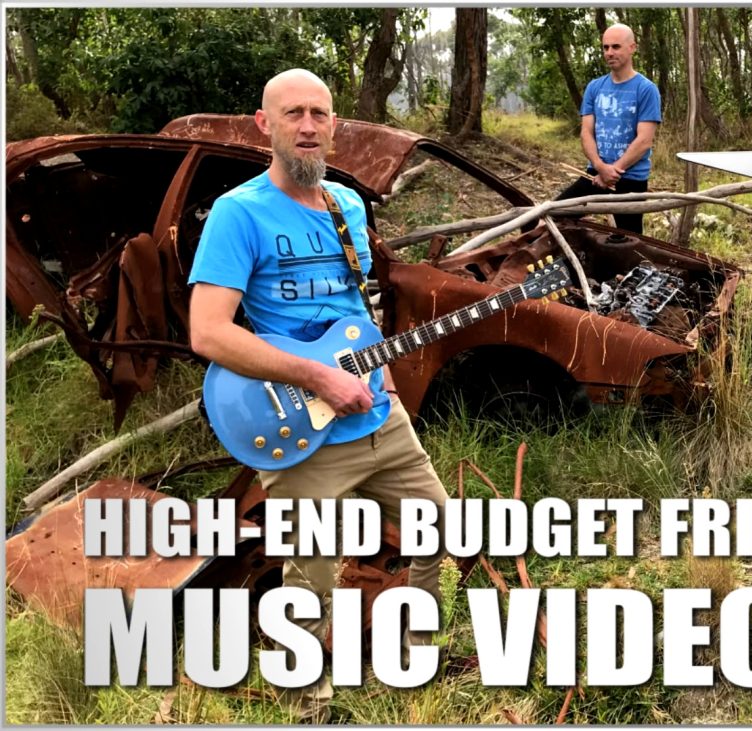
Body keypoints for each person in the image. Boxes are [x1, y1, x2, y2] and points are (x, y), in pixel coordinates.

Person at [187, 68, 449, 724]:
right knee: (313, 571)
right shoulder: (237, 213)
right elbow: (208, 333)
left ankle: (413, 644)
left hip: (374, 413)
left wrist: (376, 362)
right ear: (264, 124)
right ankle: (311, 703)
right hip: (300, 423)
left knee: (441, 523)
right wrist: (319, 377)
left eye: (320, 114)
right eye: (294, 113)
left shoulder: (346, 206)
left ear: (334, 125)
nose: (308, 126)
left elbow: (353, 301)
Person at [554, 23, 662, 236]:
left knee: (628, 242)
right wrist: (600, 167)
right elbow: (586, 132)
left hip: (631, 179)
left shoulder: (646, 89)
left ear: (632, 47)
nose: (609, 53)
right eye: (605, 47)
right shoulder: (595, 87)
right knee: (555, 216)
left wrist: (614, 171)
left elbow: (644, 141)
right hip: (594, 174)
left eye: (616, 47)